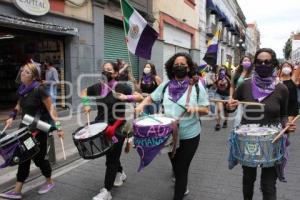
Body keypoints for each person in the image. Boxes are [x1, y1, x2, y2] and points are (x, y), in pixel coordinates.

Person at [135, 52, 209, 200]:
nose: (179, 67)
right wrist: (141, 105)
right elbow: (151, 97)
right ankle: (182, 183)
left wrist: (194, 110)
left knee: (182, 168)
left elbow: (206, 110)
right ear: (171, 68)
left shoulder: (197, 86)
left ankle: (179, 193)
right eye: (176, 65)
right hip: (168, 135)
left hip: (190, 135)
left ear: (189, 68)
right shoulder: (166, 85)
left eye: (183, 65)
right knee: (175, 166)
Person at [227, 48, 296, 200]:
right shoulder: (245, 85)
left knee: (268, 185)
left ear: (274, 64)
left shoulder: (281, 89)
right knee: (248, 180)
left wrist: (287, 125)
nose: (263, 64)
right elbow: (231, 105)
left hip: (272, 139)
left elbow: (284, 114)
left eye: (267, 62)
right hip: (248, 139)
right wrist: (230, 106)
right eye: (259, 62)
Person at [0, 63, 64, 200]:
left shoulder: (39, 90)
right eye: (23, 71)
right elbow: (18, 104)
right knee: (23, 157)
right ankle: (17, 190)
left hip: (38, 130)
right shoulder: (23, 89)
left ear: (34, 77)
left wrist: (59, 127)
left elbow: (52, 109)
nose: (23, 73)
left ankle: (49, 181)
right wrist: (12, 117)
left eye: (27, 72)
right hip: (24, 129)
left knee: (38, 159)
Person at [81, 61, 143, 200]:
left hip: (117, 127)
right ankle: (120, 172)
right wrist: (86, 104)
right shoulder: (98, 87)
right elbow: (84, 91)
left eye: (109, 70)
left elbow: (139, 97)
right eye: (104, 70)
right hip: (101, 127)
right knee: (110, 155)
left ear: (115, 73)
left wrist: (126, 97)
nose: (105, 72)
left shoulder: (121, 86)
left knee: (111, 159)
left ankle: (106, 191)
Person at [230, 56, 253, 127]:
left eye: (248, 61)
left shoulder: (253, 74)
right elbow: (232, 86)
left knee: (250, 117)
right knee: (238, 118)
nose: (247, 62)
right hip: (238, 99)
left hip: (250, 99)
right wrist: (231, 97)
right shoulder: (236, 73)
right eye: (245, 60)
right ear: (241, 63)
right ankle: (237, 132)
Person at [214, 66, 231, 131]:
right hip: (219, 94)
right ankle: (218, 124)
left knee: (226, 109)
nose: (222, 71)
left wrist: (227, 79)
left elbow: (232, 85)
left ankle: (225, 121)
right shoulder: (217, 77)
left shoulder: (229, 76)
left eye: (224, 69)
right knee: (219, 109)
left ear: (226, 70)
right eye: (221, 69)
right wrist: (215, 80)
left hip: (227, 95)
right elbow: (214, 87)